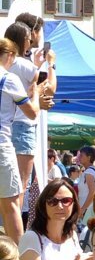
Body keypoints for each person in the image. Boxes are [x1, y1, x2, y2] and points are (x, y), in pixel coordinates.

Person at [0, 37, 42, 243]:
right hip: (2, 145)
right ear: (10, 55)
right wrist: (36, 94)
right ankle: (18, 257)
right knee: (12, 206)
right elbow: (32, 113)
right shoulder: (9, 78)